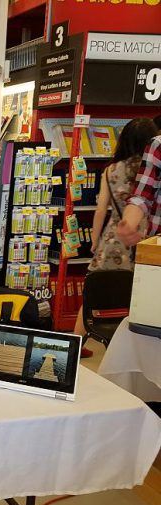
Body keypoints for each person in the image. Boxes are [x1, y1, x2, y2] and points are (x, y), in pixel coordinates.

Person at [74, 118, 158, 352]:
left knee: (93, 293)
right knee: (139, 295)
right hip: (147, 242)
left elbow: (101, 209)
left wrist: (93, 240)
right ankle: (131, 348)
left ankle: (76, 343)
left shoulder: (111, 170)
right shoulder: (151, 169)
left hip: (113, 241)